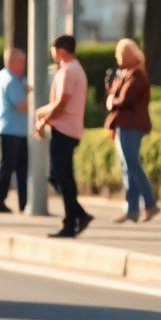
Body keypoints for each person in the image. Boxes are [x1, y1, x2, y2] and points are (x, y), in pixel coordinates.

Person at [35, 35, 90, 237]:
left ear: (60, 50)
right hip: (70, 129)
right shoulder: (73, 69)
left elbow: (61, 103)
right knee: (65, 176)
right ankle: (72, 220)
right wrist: (42, 115)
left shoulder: (69, 71)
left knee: (56, 175)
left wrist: (43, 119)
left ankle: (77, 215)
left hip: (65, 130)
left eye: (53, 49)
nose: (52, 53)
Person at [104, 38, 158, 223]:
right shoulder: (126, 73)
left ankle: (150, 203)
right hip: (123, 124)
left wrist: (111, 100)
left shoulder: (137, 74)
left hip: (131, 125)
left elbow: (124, 99)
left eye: (120, 54)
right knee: (127, 167)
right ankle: (132, 208)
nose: (117, 58)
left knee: (132, 165)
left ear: (130, 54)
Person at [0, 47, 30, 213]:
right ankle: (0, 201)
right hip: (12, 130)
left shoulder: (1, 77)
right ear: (11, 62)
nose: (24, 64)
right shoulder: (11, 80)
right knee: (10, 167)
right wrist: (34, 96)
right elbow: (21, 105)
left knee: (17, 167)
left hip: (12, 129)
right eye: (21, 61)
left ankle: (23, 202)